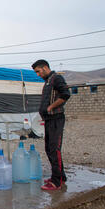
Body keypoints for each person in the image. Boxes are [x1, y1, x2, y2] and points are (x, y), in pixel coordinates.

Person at [32, 59, 70, 191]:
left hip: (56, 118)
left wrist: (51, 107)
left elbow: (65, 95)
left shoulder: (56, 78)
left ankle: (56, 182)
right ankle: (61, 177)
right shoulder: (48, 81)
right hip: (49, 120)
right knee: (49, 149)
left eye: (38, 71)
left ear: (44, 67)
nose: (37, 74)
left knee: (55, 149)